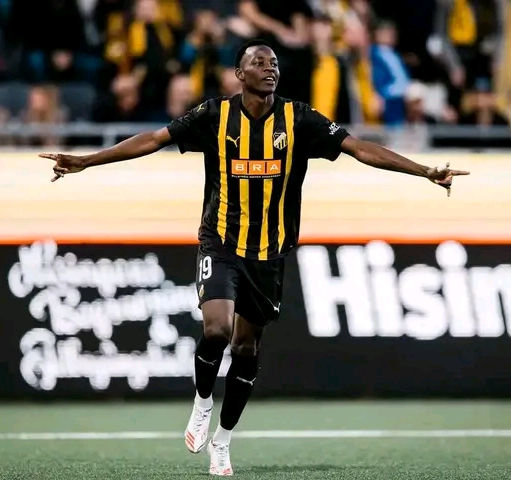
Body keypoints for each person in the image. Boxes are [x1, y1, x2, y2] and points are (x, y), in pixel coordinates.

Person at [40, 38, 469, 477]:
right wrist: (87, 161)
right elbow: (154, 139)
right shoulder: (214, 114)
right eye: (258, 62)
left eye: (274, 63)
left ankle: (223, 441)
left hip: (269, 252)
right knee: (217, 329)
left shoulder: (299, 118)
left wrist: (424, 171)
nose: (269, 68)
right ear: (239, 74)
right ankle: (202, 402)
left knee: (246, 348)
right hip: (221, 242)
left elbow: (359, 148)